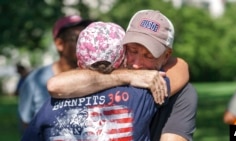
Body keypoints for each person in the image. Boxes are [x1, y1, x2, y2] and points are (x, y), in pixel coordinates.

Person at [47, 10, 198, 141]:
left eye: (149, 56)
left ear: (166, 56)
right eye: (132, 50)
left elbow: (180, 67)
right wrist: (127, 77)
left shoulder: (182, 94)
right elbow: (56, 85)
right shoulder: (101, 78)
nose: (137, 63)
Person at [21, 21, 170, 141]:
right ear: (122, 57)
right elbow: (179, 71)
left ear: (79, 61)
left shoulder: (49, 106)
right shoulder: (144, 93)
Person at [18, 15, 93, 134]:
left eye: (88, 39)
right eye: (78, 39)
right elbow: (27, 126)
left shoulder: (95, 79)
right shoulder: (34, 81)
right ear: (59, 44)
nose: (86, 45)